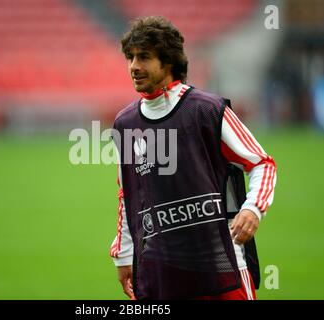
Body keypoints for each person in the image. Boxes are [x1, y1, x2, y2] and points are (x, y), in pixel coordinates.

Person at [109, 16, 277, 300]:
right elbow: (129, 195)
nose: (134, 66)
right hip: (162, 268)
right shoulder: (125, 124)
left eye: (144, 57)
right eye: (131, 57)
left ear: (168, 62)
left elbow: (262, 162)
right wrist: (124, 254)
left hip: (222, 261)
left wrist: (252, 209)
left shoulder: (207, 110)